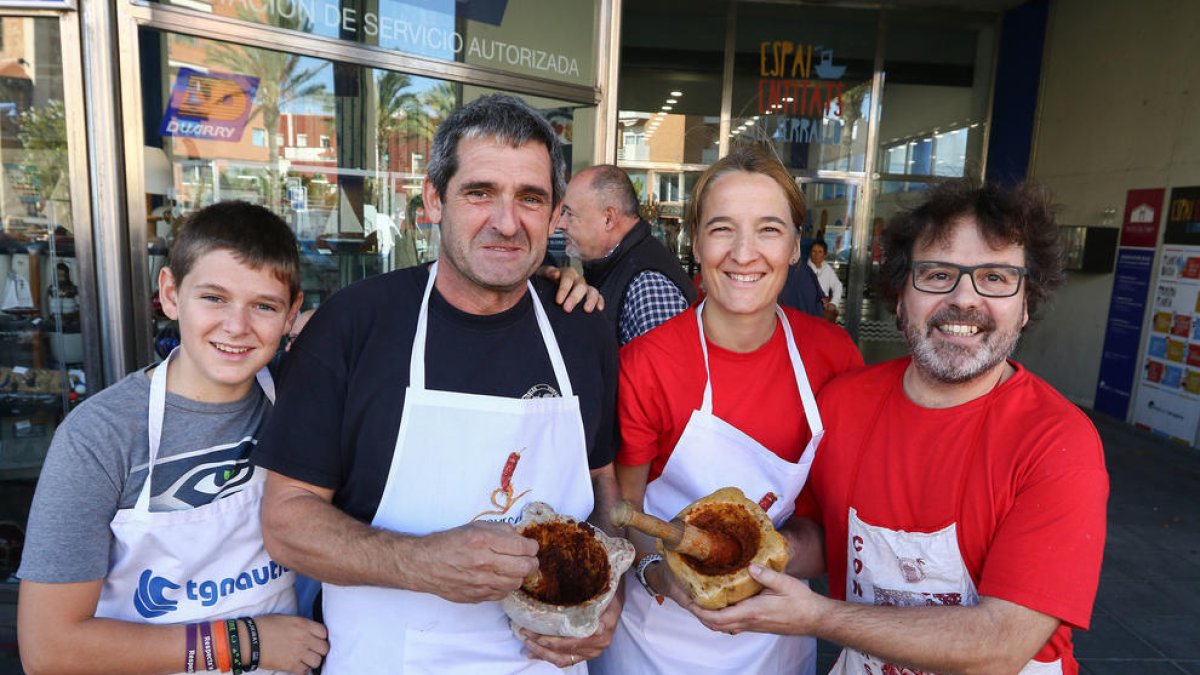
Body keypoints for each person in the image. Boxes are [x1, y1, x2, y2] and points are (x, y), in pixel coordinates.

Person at [255, 94, 621, 673]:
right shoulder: (353, 325)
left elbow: (603, 486)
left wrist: (606, 594)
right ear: (432, 200)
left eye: (530, 198)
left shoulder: (580, 326)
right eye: (480, 193)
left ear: (556, 216)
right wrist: (418, 563)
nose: (507, 222)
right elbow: (286, 522)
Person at [694, 179, 1109, 675]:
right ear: (898, 297)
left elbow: (1002, 643)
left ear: (1025, 306)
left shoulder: (1058, 443)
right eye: (938, 274)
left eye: (996, 277)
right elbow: (825, 535)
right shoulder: (844, 403)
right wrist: (753, 553)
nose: (964, 299)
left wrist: (818, 616)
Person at [17, 201, 329, 674]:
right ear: (169, 293)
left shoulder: (297, 396)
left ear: (291, 314)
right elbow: (49, 649)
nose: (237, 327)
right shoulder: (98, 437)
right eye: (214, 298)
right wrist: (244, 641)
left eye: (264, 306)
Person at [591, 146, 863, 675]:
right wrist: (661, 573)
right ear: (695, 242)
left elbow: (834, 525)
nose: (743, 253)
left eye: (768, 230)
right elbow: (624, 509)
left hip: (777, 637)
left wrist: (758, 557)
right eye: (722, 229)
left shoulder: (833, 358)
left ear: (794, 246)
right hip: (657, 641)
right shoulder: (647, 364)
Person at [556, 164, 697, 344]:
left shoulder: (648, 287)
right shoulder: (618, 266)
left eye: (569, 214)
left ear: (608, 219)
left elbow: (670, 361)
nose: (560, 224)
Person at [807, 239, 843, 322]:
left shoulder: (827, 269)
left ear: (825, 255)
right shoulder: (804, 269)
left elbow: (838, 286)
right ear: (810, 253)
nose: (816, 255)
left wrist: (834, 303)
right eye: (814, 251)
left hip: (823, 310)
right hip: (807, 309)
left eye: (820, 252)